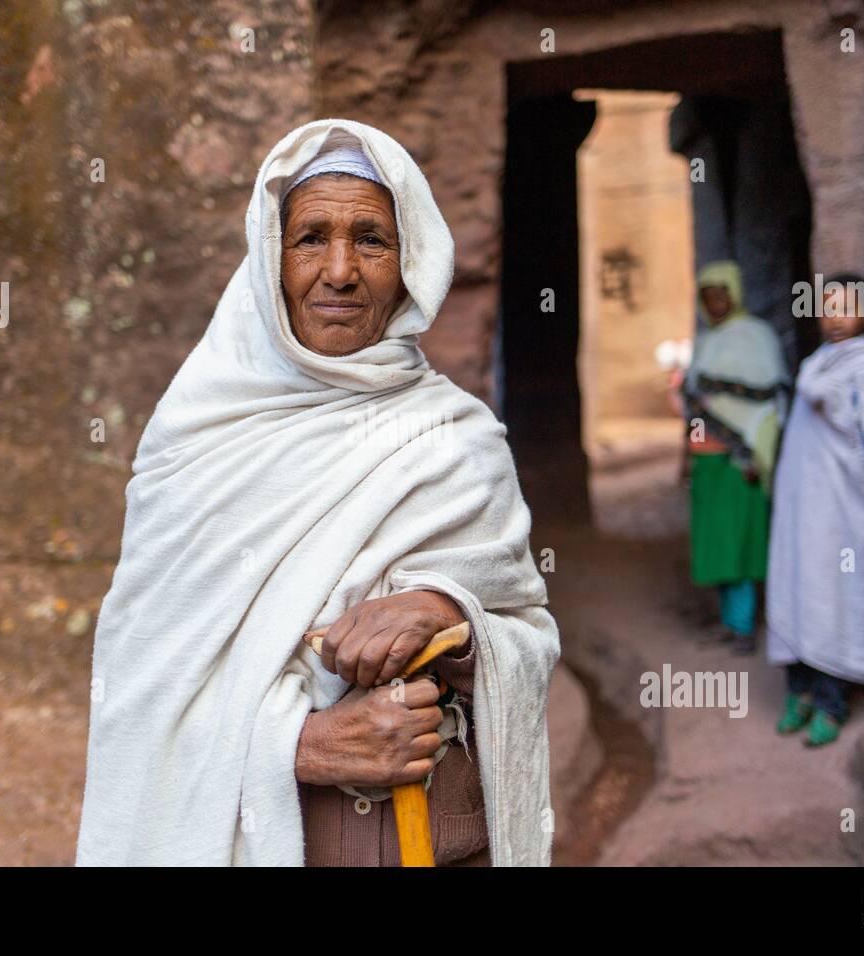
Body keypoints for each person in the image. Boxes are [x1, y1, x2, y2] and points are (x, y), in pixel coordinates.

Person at [75, 120, 560, 866]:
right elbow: (139, 696)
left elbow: (526, 633)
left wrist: (448, 611)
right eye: (310, 239)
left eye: (371, 239)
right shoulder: (198, 436)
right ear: (271, 259)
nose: (339, 270)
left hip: (436, 841)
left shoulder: (460, 438)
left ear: (412, 264)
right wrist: (297, 747)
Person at [767, 274, 864, 746]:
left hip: (838, 510)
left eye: (846, 307)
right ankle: (798, 693)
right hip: (803, 508)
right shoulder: (817, 362)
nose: (835, 317)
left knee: (832, 595)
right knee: (798, 588)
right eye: (828, 307)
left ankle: (831, 701)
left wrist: (835, 401)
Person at [678, 261, 788, 654]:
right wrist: (686, 460)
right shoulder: (707, 340)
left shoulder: (757, 337)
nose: (714, 302)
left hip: (740, 461)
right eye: (706, 296)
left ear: (735, 293)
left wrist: (754, 454)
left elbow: (768, 399)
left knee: (741, 543)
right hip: (706, 460)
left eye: (720, 293)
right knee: (717, 543)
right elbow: (695, 403)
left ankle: (743, 627)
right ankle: (728, 621)